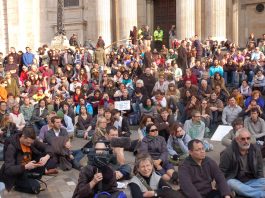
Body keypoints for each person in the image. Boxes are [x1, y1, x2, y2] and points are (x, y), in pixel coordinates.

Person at [0, 127, 54, 194]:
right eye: (28, 143)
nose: (30, 145)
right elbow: (8, 169)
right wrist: (25, 167)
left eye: (31, 143)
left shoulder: (31, 141)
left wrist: (46, 157)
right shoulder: (11, 147)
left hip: (28, 168)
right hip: (17, 173)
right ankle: (17, 185)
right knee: (36, 187)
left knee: (46, 154)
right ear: (23, 136)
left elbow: (49, 147)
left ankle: (31, 177)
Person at [219, 128, 265, 197]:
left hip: (251, 180)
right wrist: (222, 187)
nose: (246, 141)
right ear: (237, 139)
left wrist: (261, 180)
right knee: (230, 183)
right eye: (243, 139)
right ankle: (261, 195)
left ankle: (239, 192)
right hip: (235, 180)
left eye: (248, 138)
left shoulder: (256, 150)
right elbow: (221, 172)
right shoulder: (228, 152)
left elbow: (260, 169)